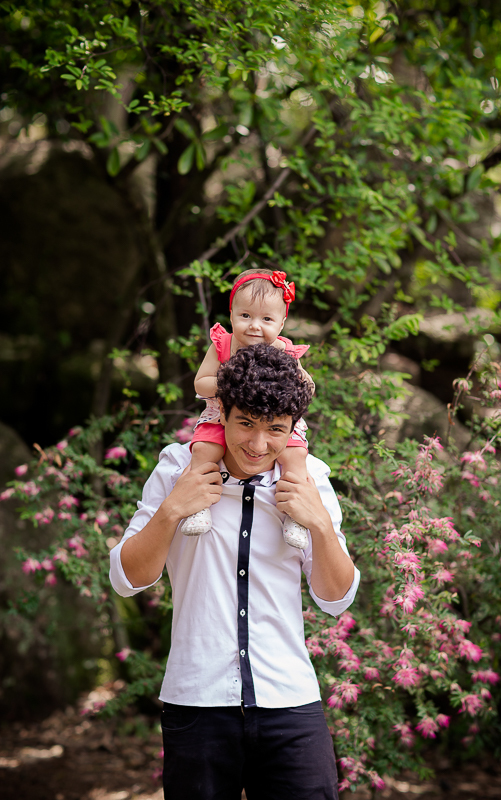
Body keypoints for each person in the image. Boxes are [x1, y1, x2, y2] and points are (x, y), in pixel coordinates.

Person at [109, 344, 360, 800]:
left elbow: (335, 597)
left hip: (290, 702)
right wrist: (171, 511)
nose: (258, 445)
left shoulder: (310, 478)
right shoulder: (176, 469)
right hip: (197, 700)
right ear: (221, 411)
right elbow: (128, 579)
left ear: (294, 429)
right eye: (245, 423)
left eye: (276, 430)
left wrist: (320, 524)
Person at [181, 268, 315, 550]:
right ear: (231, 315)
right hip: (223, 414)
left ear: (281, 324)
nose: (255, 326)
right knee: (204, 450)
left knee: (296, 455)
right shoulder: (223, 344)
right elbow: (202, 382)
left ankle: (295, 514)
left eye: (266, 319)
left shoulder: (282, 349)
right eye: (246, 316)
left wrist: (296, 385)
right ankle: (198, 505)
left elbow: (306, 386)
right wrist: (232, 382)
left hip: (272, 418)